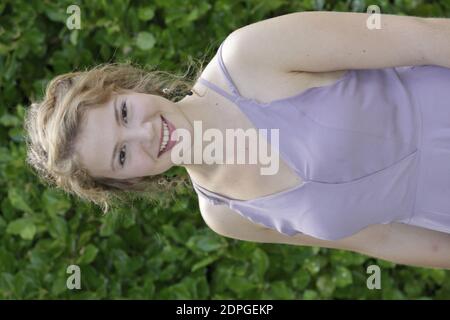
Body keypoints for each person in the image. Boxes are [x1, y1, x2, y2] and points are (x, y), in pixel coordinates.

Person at [24, 11, 450, 269]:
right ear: (124, 183)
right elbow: (383, 239)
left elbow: (425, 38)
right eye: (121, 155)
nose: (145, 133)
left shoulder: (249, 56)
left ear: (124, 87)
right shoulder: (224, 216)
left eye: (123, 113)